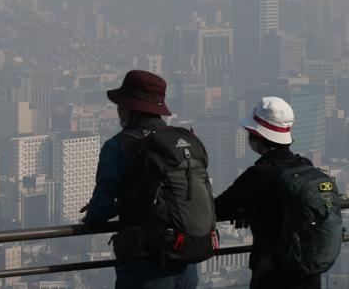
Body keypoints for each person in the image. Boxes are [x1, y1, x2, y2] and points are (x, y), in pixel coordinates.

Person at [82, 70, 201, 289]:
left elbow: (100, 208)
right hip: (186, 262)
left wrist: (97, 212)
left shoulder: (118, 146)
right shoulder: (183, 140)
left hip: (146, 266)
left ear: (128, 108)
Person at [215, 97, 320, 289]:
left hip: (274, 273)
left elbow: (218, 209)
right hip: (308, 272)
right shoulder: (305, 165)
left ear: (257, 135)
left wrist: (247, 206)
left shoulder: (259, 174)